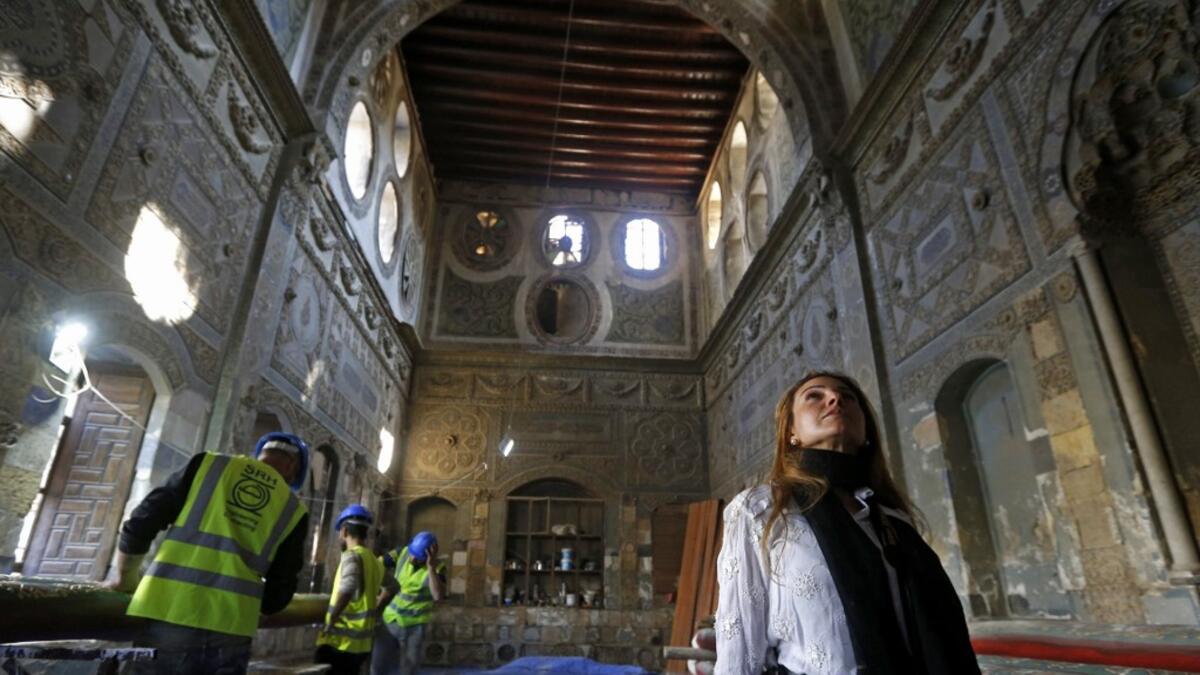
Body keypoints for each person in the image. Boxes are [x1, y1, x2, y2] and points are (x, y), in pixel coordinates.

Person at [714, 372, 978, 675]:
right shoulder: (762, 510)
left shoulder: (894, 520)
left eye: (848, 397)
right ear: (791, 431)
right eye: (814, 395)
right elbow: (739, 652)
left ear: (866, 431)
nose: (835, 399)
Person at [106, 432, 311, 674]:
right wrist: (261, 611)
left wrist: (125, 577)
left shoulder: (208, 464)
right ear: (292, 466)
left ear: (262, 453)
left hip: (169, 613)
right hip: (232, 630)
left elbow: (143, 520)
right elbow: (280, 589)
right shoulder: (293, 509)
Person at [316, 504, 395, 674]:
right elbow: (393, 587)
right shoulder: (374, 561)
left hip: (341, 641)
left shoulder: (351, 556)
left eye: (340, 531)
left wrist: (330, 622)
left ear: (344, 531)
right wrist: (377, 610)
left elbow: (347, 588)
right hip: (362, 643)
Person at [370, 531, 446, 675]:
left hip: (414, 627)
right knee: (377, 666)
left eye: (418, 557)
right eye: (412, 553)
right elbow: (377, 564)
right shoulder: (402, 552)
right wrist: (381, 587)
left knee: (408, 670)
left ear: (429, 556)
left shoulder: (438, 567)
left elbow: (438, 596)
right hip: (390, 621)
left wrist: (430, 568)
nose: (413, 558)